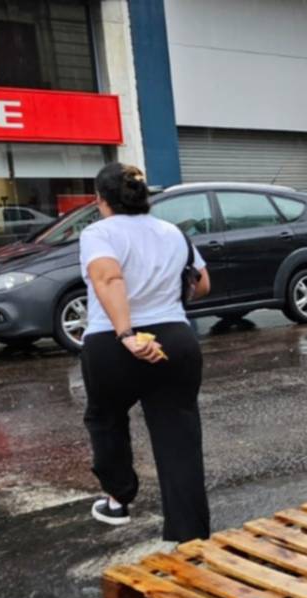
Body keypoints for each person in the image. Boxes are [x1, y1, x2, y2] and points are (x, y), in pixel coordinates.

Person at [78, 162, 213, 542]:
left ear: (100, 200)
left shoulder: (98, 232)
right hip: (175, 338)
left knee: (105, 419)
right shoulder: (173, 233)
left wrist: (127, 335)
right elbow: (202, 285)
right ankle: (188, 536)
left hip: (113, 341)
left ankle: (118, 498)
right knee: (178, 434)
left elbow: (108, 277)